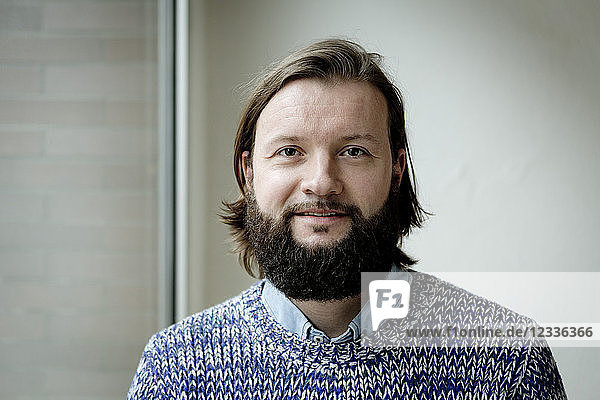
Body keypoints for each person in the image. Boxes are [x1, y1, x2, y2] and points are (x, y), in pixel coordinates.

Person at [128, 39, 567, 399]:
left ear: (396, 171)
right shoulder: (177, 366)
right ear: (248, 172)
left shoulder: (507, 359)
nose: (321, 182)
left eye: (354, 151)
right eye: (289, 151)